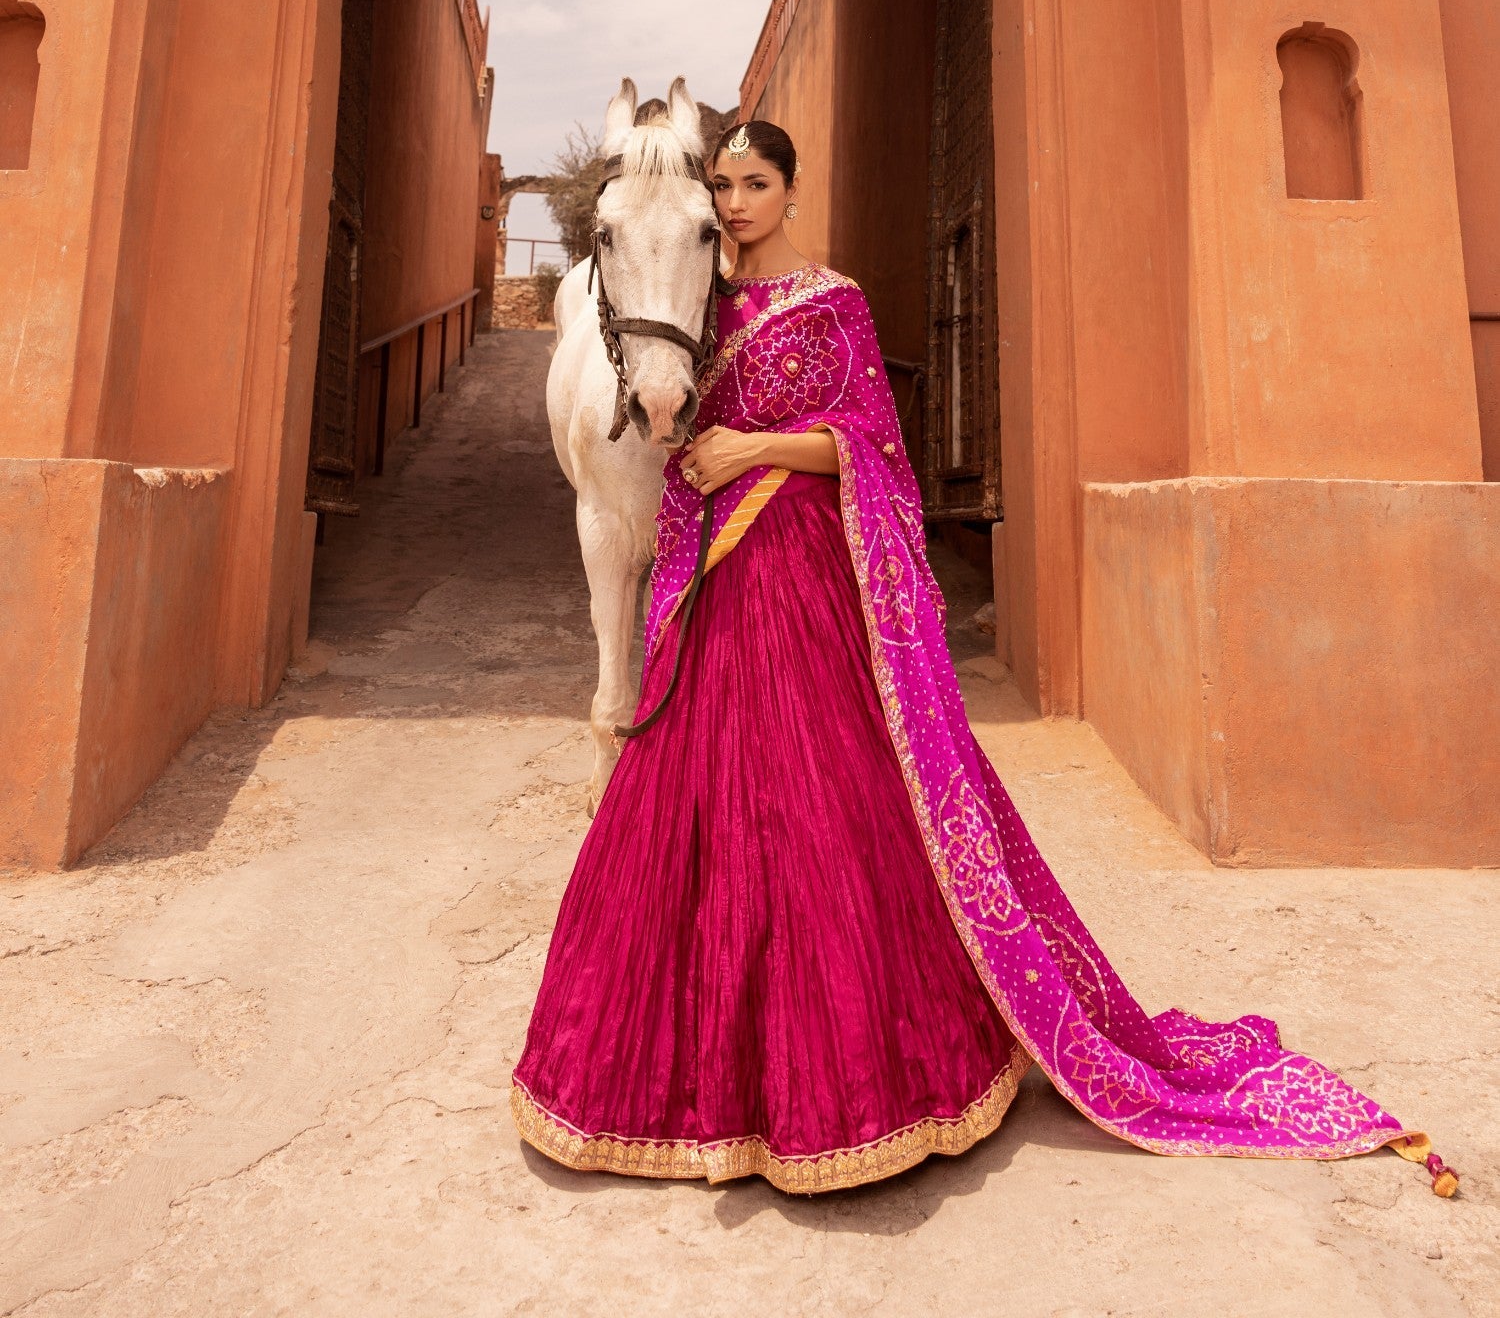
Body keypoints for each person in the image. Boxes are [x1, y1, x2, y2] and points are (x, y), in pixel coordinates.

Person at [511, 120, 1456, 1197]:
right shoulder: (699, 308)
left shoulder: (836, 302)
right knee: (701, 815)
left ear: (790, 189)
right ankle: (689, 1090)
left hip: (810, 583)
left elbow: (866, 441)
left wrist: (755, 447)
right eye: (722, 184)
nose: (734, 203)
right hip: (722, 592)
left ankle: (869, 1084)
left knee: (831, 809)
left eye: (754, 182)